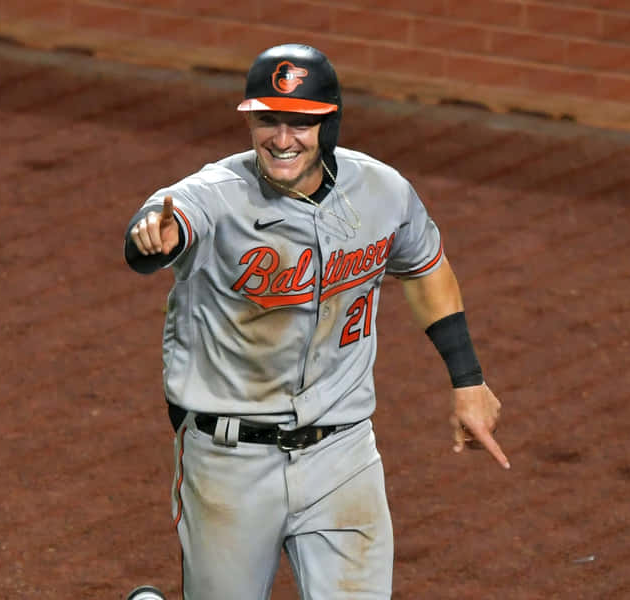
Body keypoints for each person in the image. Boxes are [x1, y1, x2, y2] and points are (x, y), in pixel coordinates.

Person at [124, 43, 509, 600]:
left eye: (300, 123)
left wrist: (468, 379)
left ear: (330, 122)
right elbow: (158, 230)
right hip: (229, 462)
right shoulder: (212, 196)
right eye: (267, 121)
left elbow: (427, 270)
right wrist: (151, 239)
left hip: (342, 455)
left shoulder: (382, 191)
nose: (282, 139)